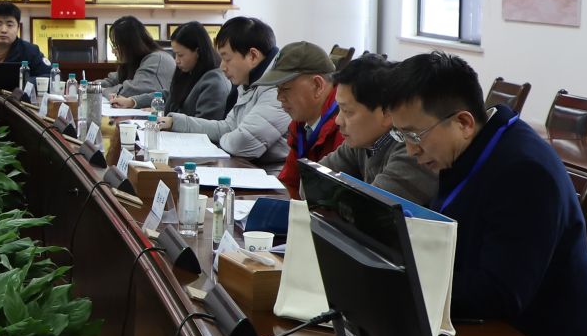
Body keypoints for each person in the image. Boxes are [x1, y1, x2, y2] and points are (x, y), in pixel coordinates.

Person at [382, 52, 587, 336]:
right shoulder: (472, 150)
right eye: (401, 137)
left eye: (415, 136)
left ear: (463, 123)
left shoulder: (524, 172)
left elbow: (500, 293)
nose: (411, 150)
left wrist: (406, 285)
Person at [163, 15, 291, 164]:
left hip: (274, 173)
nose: (222, 66)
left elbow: (242, 143)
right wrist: (175, 122)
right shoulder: (249, 83)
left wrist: (219, 141)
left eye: (227, 58)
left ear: (253, 56)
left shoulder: (277, 88)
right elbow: (228, 127)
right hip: (250, 167)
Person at [319, 53, 436, 205]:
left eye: (347, 111)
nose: (338, 120)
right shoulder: (362, 142)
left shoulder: (413, 150)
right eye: (339, 109)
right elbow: (312, 183)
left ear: (386, 113)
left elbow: (372, 209)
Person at [260, 41, 345, 196]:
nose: (279, 97)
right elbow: (289, 182)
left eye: (286, 89)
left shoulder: (346, 127)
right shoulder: (301, 124)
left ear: (318, 86)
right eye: (278, 89)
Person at [132, 19, 229, 119]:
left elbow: (203, 123)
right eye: (175, 55)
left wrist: (170, 120)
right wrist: (133, 101)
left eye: (180, 55)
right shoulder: (189, 71)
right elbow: (172, 94)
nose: (176, 60)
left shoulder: (214, 82)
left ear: (197, 52)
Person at [98, 15, 176, 105]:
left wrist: (102, 90)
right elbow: (111, 81)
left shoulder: (156, 60)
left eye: (116, 46)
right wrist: (90, 85)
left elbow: (127, 92)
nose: (113, 51)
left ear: (130, 45)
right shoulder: (133, 61)